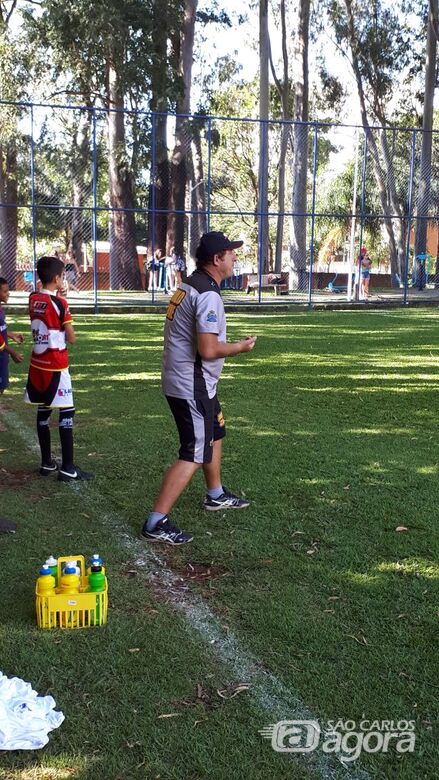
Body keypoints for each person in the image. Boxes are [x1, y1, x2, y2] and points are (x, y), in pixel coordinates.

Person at [140, 231, 257, 545]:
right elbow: (208, 349)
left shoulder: (190, 284)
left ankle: (215, 494)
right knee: (193, 452)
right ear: (217, 259)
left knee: (215, 433)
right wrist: (240, 348)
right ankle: (156, 522)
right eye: (231, 253)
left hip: (196, 381)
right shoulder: (207, 294)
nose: (235, 258)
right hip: (191, 385)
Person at [24, 256, 93, 482]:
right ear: (57, 278)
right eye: (63, 276)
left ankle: (46, 463)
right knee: (66, 412)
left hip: (37, 365)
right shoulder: (61, 304)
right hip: (56, 365)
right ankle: (68, 468)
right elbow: (71, 338)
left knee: (43, 411)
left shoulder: (33, 298)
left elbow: (43, 308)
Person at [0, 278, 24, 394]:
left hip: (3, 357)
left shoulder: (1, 309)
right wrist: (12, 352)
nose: (8, 293)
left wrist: (12, 335)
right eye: (5, 291)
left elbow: (1, 329)